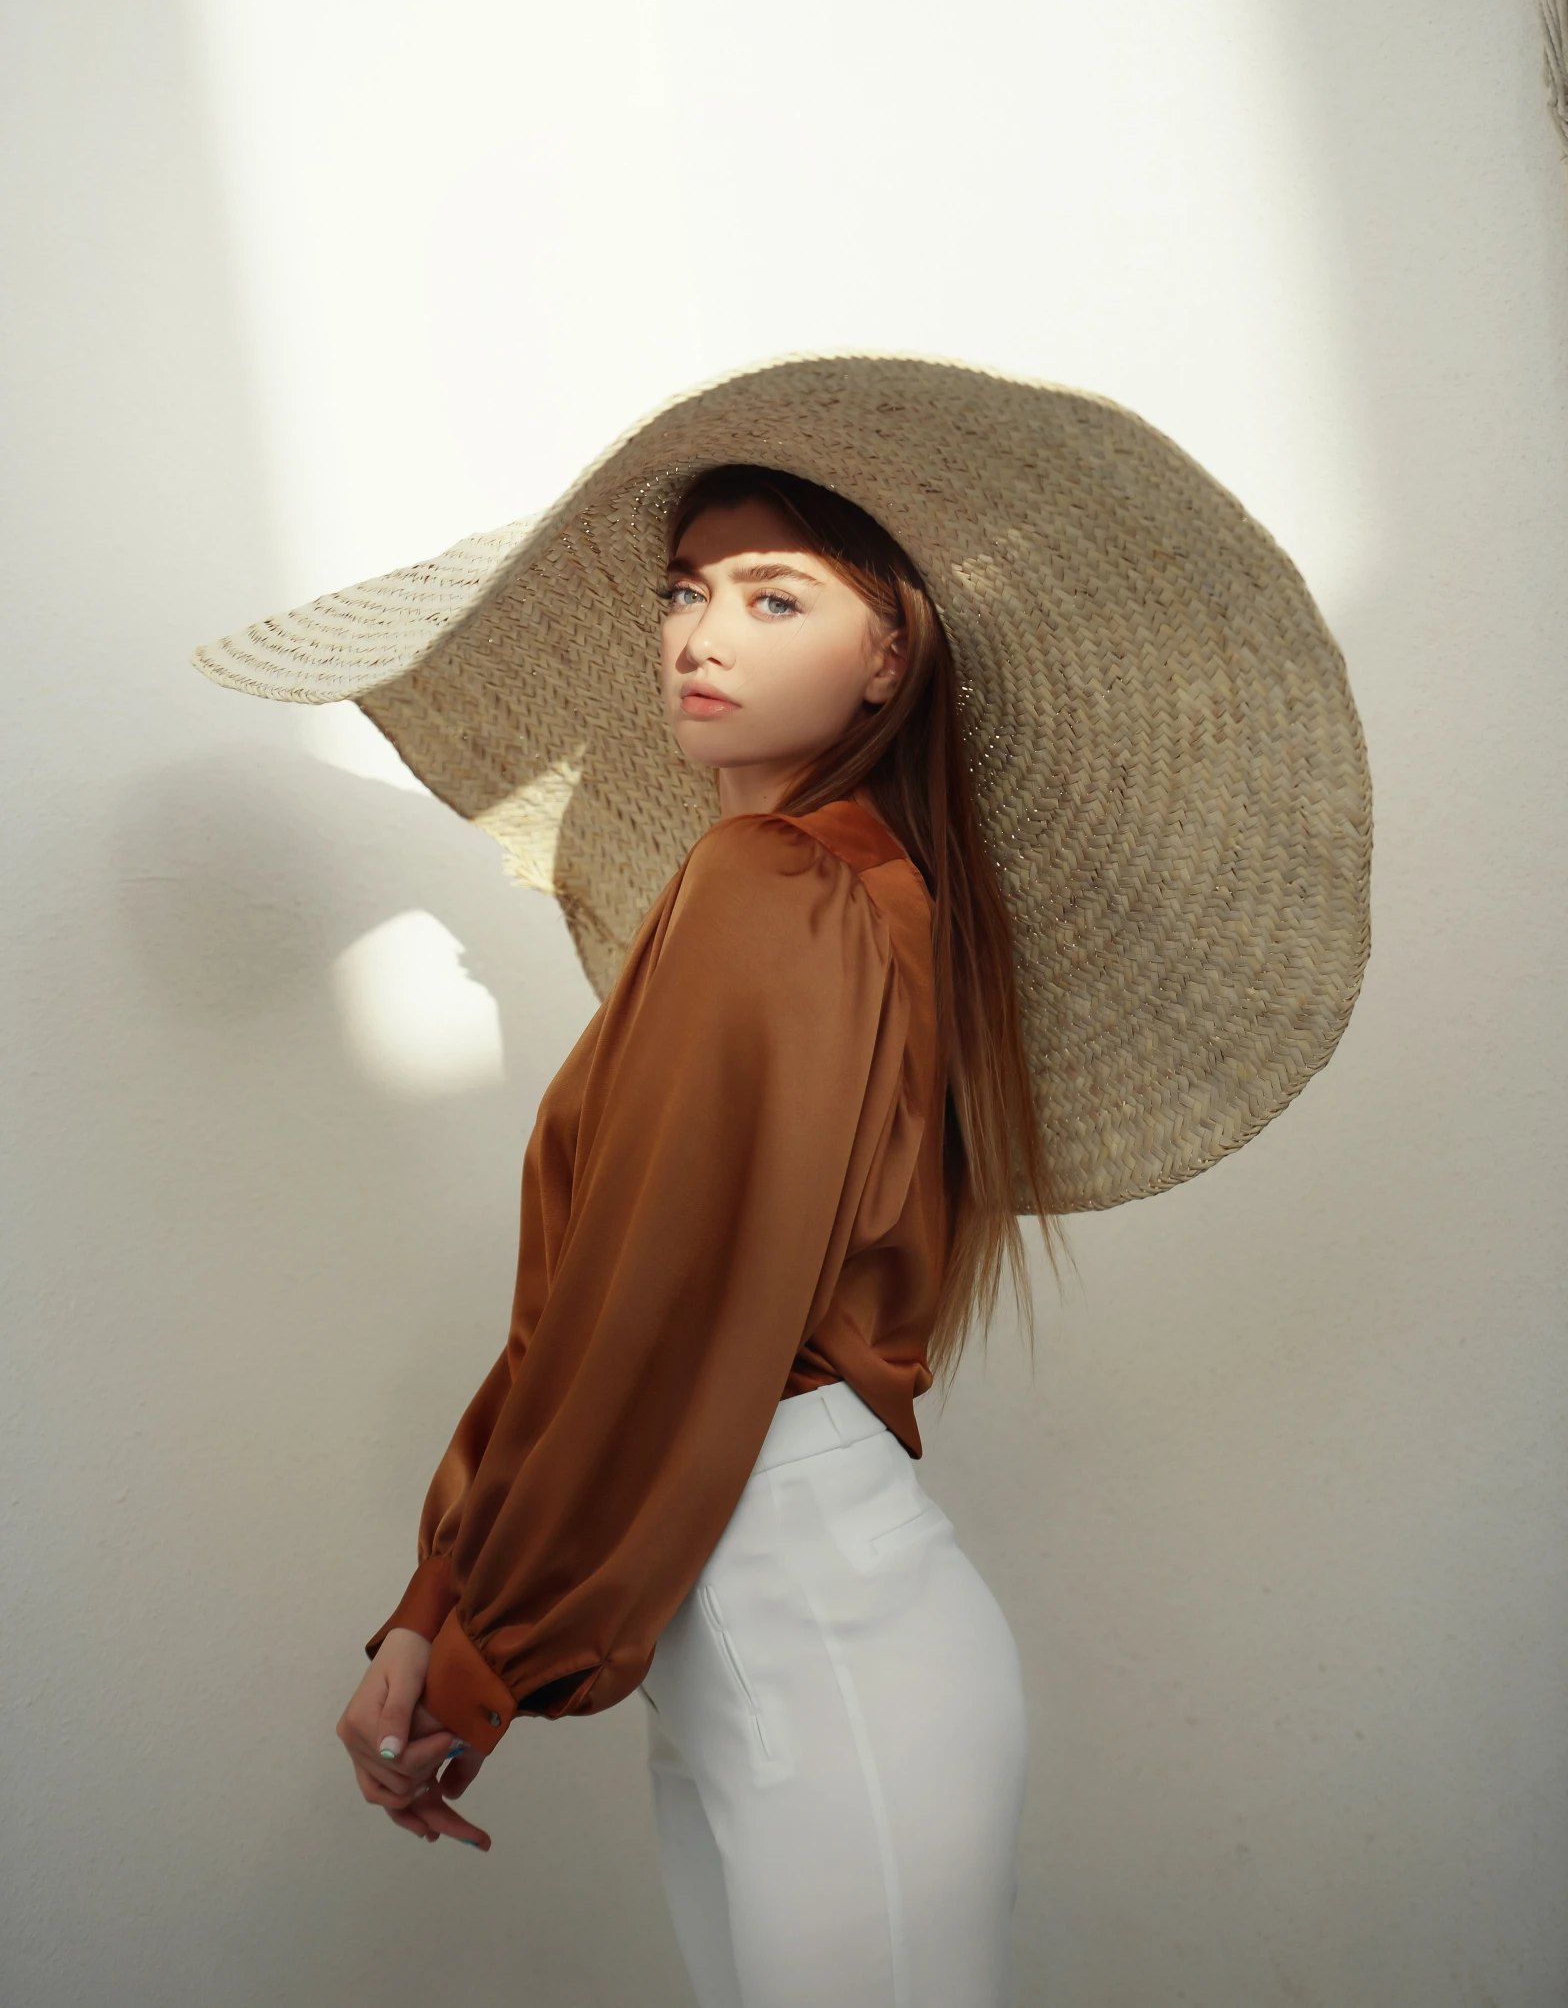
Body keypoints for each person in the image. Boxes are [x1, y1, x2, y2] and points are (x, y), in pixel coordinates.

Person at [193, 354, 1371, 2008]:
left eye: (773, 593)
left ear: (888, 652)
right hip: (765, 1606)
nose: (701, 632)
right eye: (685, 590)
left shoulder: (781, 890)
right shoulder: (775, 892)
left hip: (799, 1595)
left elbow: (655, 1333)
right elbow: (599, 1307)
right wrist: (432, 1611)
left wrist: (470, 1658)